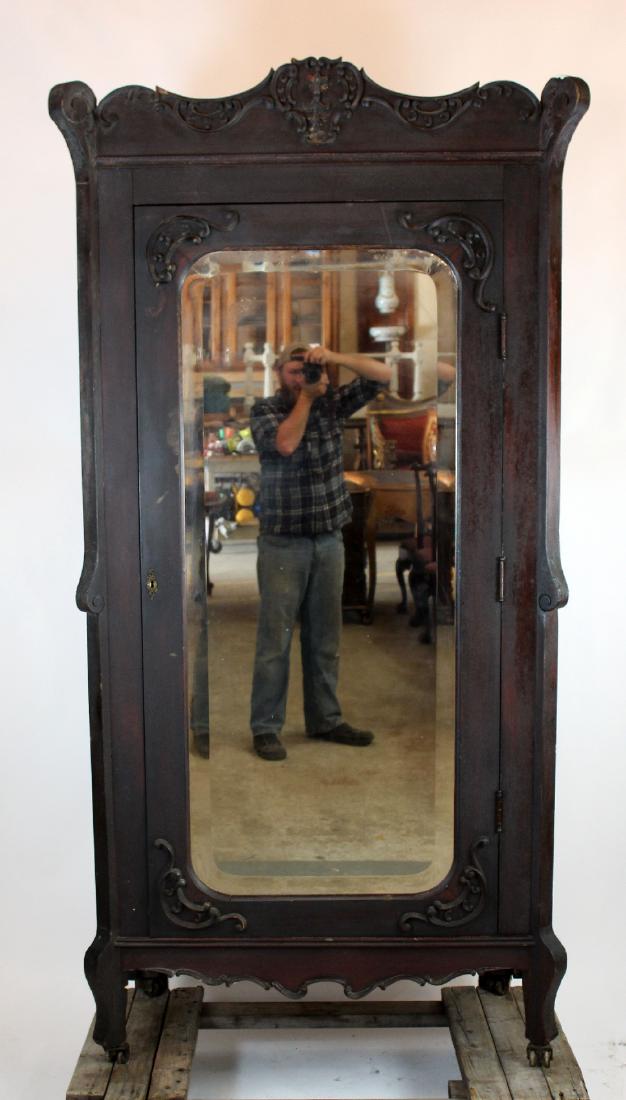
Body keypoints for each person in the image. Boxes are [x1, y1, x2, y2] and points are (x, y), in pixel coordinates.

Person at [249, 344, 392, 760]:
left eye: (307, 371)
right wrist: (308, 399)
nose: (302, 378)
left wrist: (335, 357)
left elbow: (383, 375)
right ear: (280, 373)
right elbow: (286, 444)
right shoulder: (266, 410)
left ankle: (325, 720)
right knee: (275, 641)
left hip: (329, 539)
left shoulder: (332, 403)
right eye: (294, 371)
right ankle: (265, 728)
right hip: (283, 542)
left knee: (326, 638)